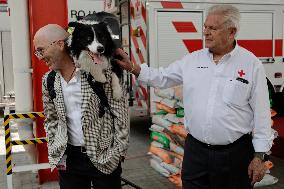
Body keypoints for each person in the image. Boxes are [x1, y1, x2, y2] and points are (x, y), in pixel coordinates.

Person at [115, 5, 273, 189]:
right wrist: (132, 67)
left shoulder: (251, 65)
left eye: (212, 28)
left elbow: (262, 114)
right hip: (196, 152)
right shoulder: (192, 60)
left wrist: (260, 156)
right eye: (205, 27)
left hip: (235, 155)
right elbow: (161, 77)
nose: (205, 32)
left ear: (232, 32)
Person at [33, 24, 129, 189]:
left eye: (41, 50)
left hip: (104, 155)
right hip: (70, 161)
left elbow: (120, 113)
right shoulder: (48, 80)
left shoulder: (99, 71)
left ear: (60, 44)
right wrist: (56, 147)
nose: (40, 57)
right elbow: (51, 119)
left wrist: (119, 151)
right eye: (37, 52)